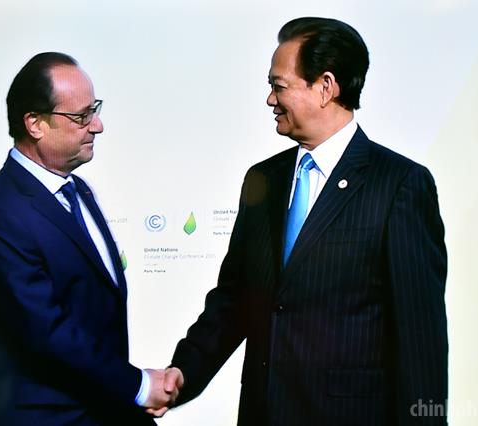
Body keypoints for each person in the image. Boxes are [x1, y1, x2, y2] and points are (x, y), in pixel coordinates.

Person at [158, 17, 448, 425]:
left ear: (326, 87)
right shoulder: (263, 180)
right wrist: (182, 375)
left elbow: (421, 339)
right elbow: (236, 299)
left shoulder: (399, 184)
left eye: (279, 86)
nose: (270, 99)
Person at [0, 52, 175, 426]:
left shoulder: (78, 191)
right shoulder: (0, 217)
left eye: (95, 110)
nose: (98, 126)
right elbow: (45, 333)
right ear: (35, 123)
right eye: (81, 116)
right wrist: (139, 386)